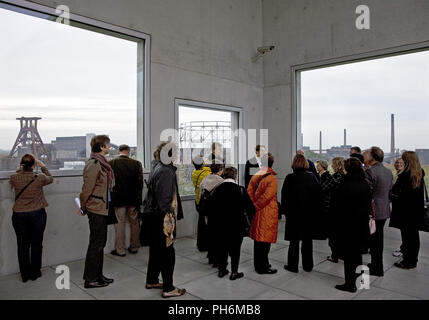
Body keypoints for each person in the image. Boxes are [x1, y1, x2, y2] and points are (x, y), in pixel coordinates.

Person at [144, 141, 186, 298]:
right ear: (172, 154)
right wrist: (170, 220)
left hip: (154, 216)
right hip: (163, 220)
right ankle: (169, 288)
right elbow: (165, 201)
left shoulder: (157, 167)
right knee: (168, 254)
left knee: (155, 251)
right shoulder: (167, 171)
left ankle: (152, 280)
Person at [78, 135, 115, 289]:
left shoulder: (102, 163)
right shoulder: (94, 164)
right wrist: (83, 206)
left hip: (102, 207)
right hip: (96, 208)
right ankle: (90, 279)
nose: (109, 147)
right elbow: (87, 188)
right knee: (96, 244)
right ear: (101, 147)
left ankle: (98, 275)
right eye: (108, 145)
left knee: (100, 244)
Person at [9, 154, 53, 282]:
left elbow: (19, 174)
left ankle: (24, 274)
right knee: (36, 244)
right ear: (34, 165)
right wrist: (43, 166)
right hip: (37, 213)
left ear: (21, 165)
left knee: (22, 245)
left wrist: (22, 167)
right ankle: (35, 272)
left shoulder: (14, 177)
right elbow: (51, 178)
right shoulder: (39, 177)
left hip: (19, 214)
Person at [332, 157, 371, 293]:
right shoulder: (365, 183)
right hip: (360, 224)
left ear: (347, 168)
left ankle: (349, 284)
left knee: (348, 257)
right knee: (357, 254)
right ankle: (358, 278)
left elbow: (337, 206)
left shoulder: (344, 184)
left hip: (347, 225)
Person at [281, 154, 322, 273]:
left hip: (293, 214)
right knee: (307, 241)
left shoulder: (290, 178)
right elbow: (318, 196)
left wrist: (285, 212)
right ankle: (308, 266)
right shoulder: (312, 177)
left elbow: (285, 197)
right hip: (308, 214)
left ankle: (292, 266)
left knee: (294, 241)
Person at [390, 151, 425, 270]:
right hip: (416, 211)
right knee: (413, 237)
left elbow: (397, 193)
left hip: (405, 211)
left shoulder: (405, 176)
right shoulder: (419, 174)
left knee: (407, 237)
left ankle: (408, 261)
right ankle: (412, 260)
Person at [210, 167, 246, 280]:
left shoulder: (217, 190)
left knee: (222, 248)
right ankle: (234, 272)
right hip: (237, 226)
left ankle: (222, 270)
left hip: (220, 226)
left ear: (223, 175)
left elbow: (211, 209)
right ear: (235, 176)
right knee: (236, 249)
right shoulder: (240, 190)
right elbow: (250, 208)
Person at [109, 144, 143, 257]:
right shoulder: (137, 164)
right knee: (134, 223)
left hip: (118, 199)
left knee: (120, 224)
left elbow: (109, 182)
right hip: (133, 199)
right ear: (128, 151)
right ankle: (134, 247)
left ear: (119, 151)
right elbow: (140, 184)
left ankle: (120, 250)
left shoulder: (112, 163)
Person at [248, 153, 279, 275]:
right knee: (265, 242)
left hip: (258, 212)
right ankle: (263, 267)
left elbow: (249, 190)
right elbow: (267, 197)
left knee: (258, 240)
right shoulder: (272, 179)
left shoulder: (257, 175)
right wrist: (256, 206)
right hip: (267, 213)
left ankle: (259, 264)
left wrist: (253, 206)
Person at [364, 147, 393, 277]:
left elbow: (366, 192)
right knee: (378, 239)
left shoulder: (370, 171)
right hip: (384, 209)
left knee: (374, 240)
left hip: (373, 210)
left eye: (367, 154)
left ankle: (377, 268)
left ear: (372, 157)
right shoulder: (388, 171)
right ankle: (376, 264)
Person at [199, 163, 224, 266]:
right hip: (216, 211)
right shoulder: (221, 181)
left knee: (209, 233)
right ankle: (217, 259)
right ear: (220, 170)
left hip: (206, 211)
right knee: (218, 235)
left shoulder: (205, 179)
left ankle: (210, 257)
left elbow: (201, 192)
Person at [327, 157, 346, 262]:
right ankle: (341, 254)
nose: (332, 166)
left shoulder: (335, 177)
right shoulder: (346, 177)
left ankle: (335, 255)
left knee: (333, 235)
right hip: (343, 209)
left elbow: (325, 188)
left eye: (333, 164)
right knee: (341, 234)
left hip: (334, 209)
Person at [191, 156, 211, 251]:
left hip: (198, 200)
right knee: (207, 223)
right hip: (206, 201)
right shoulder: (206, 172)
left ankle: (201, 244)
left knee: (201, 222)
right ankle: (206, 244)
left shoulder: (194, 172)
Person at [392, 157, 405, 257]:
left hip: (402, 207)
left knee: (406, 231)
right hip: (398, 205)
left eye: (401, 163)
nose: (398, 164)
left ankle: (404, 249)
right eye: (397, 162)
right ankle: (403, 248)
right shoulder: (397, 174)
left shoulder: (403, 175)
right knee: (403, 231)